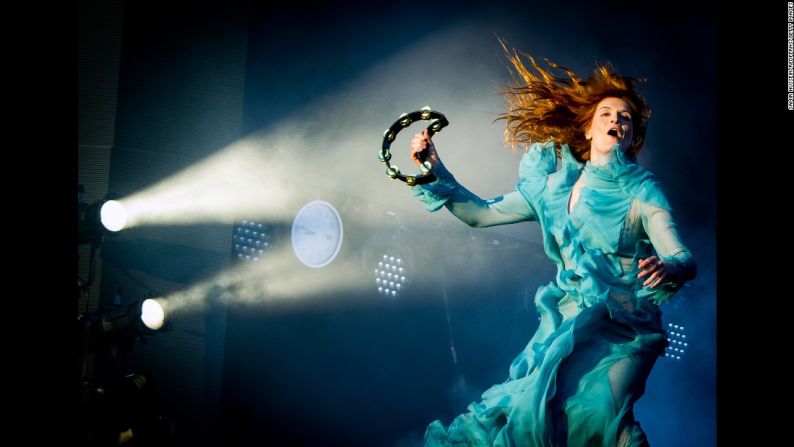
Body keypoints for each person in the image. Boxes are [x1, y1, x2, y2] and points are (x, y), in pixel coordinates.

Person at [407, 44, 696, 447]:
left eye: (626, 118)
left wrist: (670, 268)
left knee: (603, 420)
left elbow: (681, 255)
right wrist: (435, 169)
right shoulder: (551, 190)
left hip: (625, 329)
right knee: (526, 413)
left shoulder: (642, 191)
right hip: (566, 321)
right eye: (607, 114)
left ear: (632, 136)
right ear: (588, 129)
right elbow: (479, 214)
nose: (617, 121)